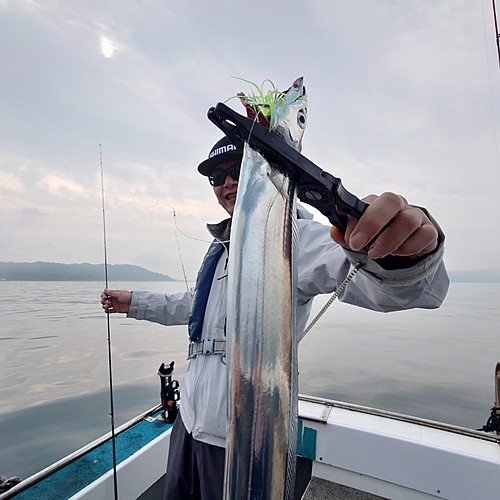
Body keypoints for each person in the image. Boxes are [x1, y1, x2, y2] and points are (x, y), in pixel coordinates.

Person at [101, 136, 449, 500]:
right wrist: (134, 303)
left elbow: (395, 288)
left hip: (242, 443)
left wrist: (404, 258)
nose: (227, 183)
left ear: (261, 174)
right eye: (216, 178)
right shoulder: (223, 248)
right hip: (188, 425)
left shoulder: (294, 239)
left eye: (237, 169)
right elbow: (194, 308)